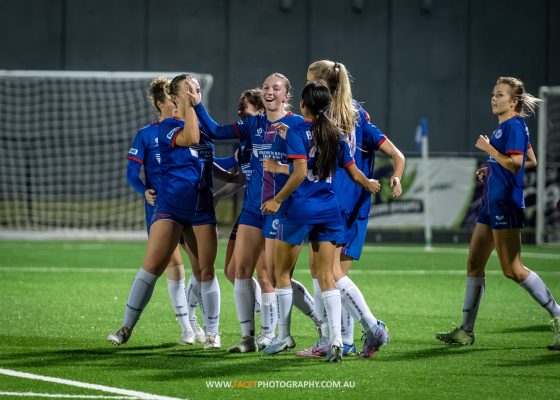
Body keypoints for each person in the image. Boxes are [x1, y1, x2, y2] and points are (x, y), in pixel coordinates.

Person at [190, 73, 320, 353]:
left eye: (276, 88)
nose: (269, 91)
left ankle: (282, 333)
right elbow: (216, 131)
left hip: (283, 209)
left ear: (287, 95)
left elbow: (311, 168)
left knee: (273, 276)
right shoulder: (253, 124)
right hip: (253, 208)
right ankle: (248, 338)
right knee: (239, 270)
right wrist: (198, 105)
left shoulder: (298, 125)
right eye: (265, 87)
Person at [436, 76, 560, 351]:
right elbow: (531, 160)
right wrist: (491, 168)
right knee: (474, 263)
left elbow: (517, 164)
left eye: (500, 94)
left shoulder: (514, 126)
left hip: (506, 204)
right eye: (493, 94)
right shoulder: (503, 128)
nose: (494, 98)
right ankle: (466, 331)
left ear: (513, 101)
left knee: (512, 269)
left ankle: (559, 315)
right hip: (490, 204)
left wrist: (489, 150)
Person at [260, 81, 381, 362]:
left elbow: (300, 172)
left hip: (300, 210)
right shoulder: (335, 133)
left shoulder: (297, 132)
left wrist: (277, 199)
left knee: (281, 274)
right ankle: (337, 341)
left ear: (303, 105)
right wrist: (369, 184)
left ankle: (283, 336)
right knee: (327, 277)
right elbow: (353, 172)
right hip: (329, 211)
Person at [297, 60, 404, 358]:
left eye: (309, 81)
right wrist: (395, 175)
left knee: (326, 273)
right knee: (329, 274)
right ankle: (343, 339)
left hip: (330, 203)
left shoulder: (320, 117)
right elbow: (396, 154)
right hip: (353, 206)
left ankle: (369, 328)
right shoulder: (358, 113)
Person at [108, 74, 221, 349]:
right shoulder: (167, 127)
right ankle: (125, 327)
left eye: (196, 87)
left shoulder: (203, 123)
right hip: (171, 206)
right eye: (189, 88)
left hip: (201, 207)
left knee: (205, 270)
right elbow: (192, 137)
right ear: (174, 97)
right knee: (153, 266)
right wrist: (191, 106)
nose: (195, 91)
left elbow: (212, 152)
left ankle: (212, 333)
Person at [125, 77, 202, 345]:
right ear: (160, 103)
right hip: (162, 208)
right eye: (171, 98)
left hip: (190, 207)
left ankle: (196, 323)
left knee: (201, 267)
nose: (176, 101)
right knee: (173, 265)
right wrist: (143, 189)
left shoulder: (190, 128)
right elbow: (132, 173)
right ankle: (186, 328)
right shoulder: (147, 134)